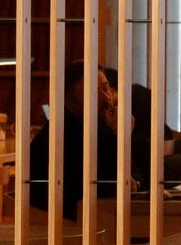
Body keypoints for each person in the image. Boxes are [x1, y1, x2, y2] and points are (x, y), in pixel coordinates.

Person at [24, 64, 119, 221]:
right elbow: (105, 185)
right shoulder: (61, 137)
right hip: (68, 232)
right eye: (95, 93)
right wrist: (118, 137)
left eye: (106, 88)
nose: (106, 97)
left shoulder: (96, 127)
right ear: (69, 102)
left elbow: (134, 173)